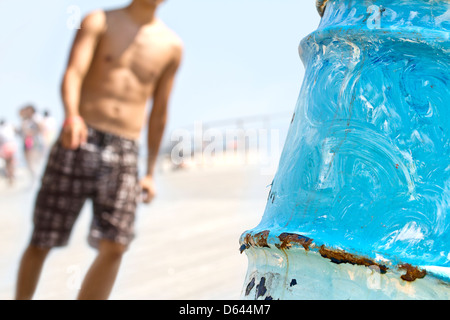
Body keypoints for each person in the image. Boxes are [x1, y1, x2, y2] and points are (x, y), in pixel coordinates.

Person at [15, 0, 183, 300]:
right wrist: (71, 115)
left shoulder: (171, 46)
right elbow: (73, 73)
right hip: (80, 136)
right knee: (43, 237)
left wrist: (149, 173)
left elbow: (159, 111)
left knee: (116, 244)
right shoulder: (99, 20)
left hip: (126, 149)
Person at [18, 105, 45, 180]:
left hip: (35, 143)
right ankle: (34, 180)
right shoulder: (26, 120)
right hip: (29, 143)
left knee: (34, 162)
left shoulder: (36, 118)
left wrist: (30, 133)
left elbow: (40, 129)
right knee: (30, 163)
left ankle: (37, 180)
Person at [0, 119, 18, 186]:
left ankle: (10, 176)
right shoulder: (10, 127)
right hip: (12, 145)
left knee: (7, 163)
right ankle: (12, 175)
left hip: (5, 147)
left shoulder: (1, 130)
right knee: (11, 162)